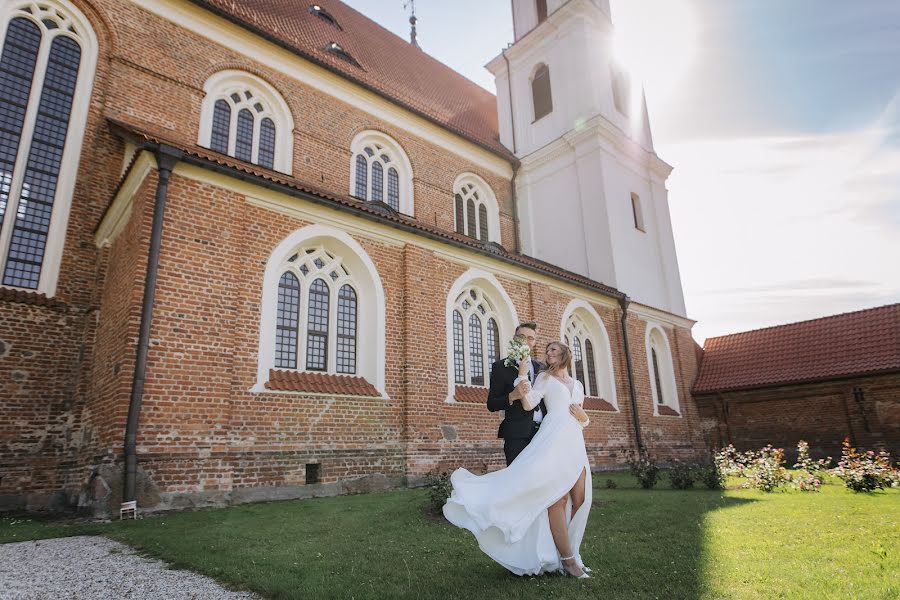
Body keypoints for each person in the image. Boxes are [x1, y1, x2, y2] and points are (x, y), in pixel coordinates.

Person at [444, 342, 593, 578]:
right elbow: (529, 402)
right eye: (547, 351)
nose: (548, 353)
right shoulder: (544, 378)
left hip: (574, 441)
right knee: (558, 498)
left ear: (565, 354)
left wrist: (586, 420)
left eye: (553, 350)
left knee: (581, 499)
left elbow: (580, 415)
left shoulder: (578, 384)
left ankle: (573, 551)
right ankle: (568, 560)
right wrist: (521, 377)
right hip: (552, 438)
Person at [486, 321, 546, 466]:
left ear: (535, 342)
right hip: (516, 434)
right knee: (517, 479)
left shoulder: (542, 368)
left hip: (544, 432)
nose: (526, 341)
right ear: (514, 338)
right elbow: (492, 404)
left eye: (530, 338)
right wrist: (512, 396)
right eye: (521, 337)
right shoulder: (500, 367)